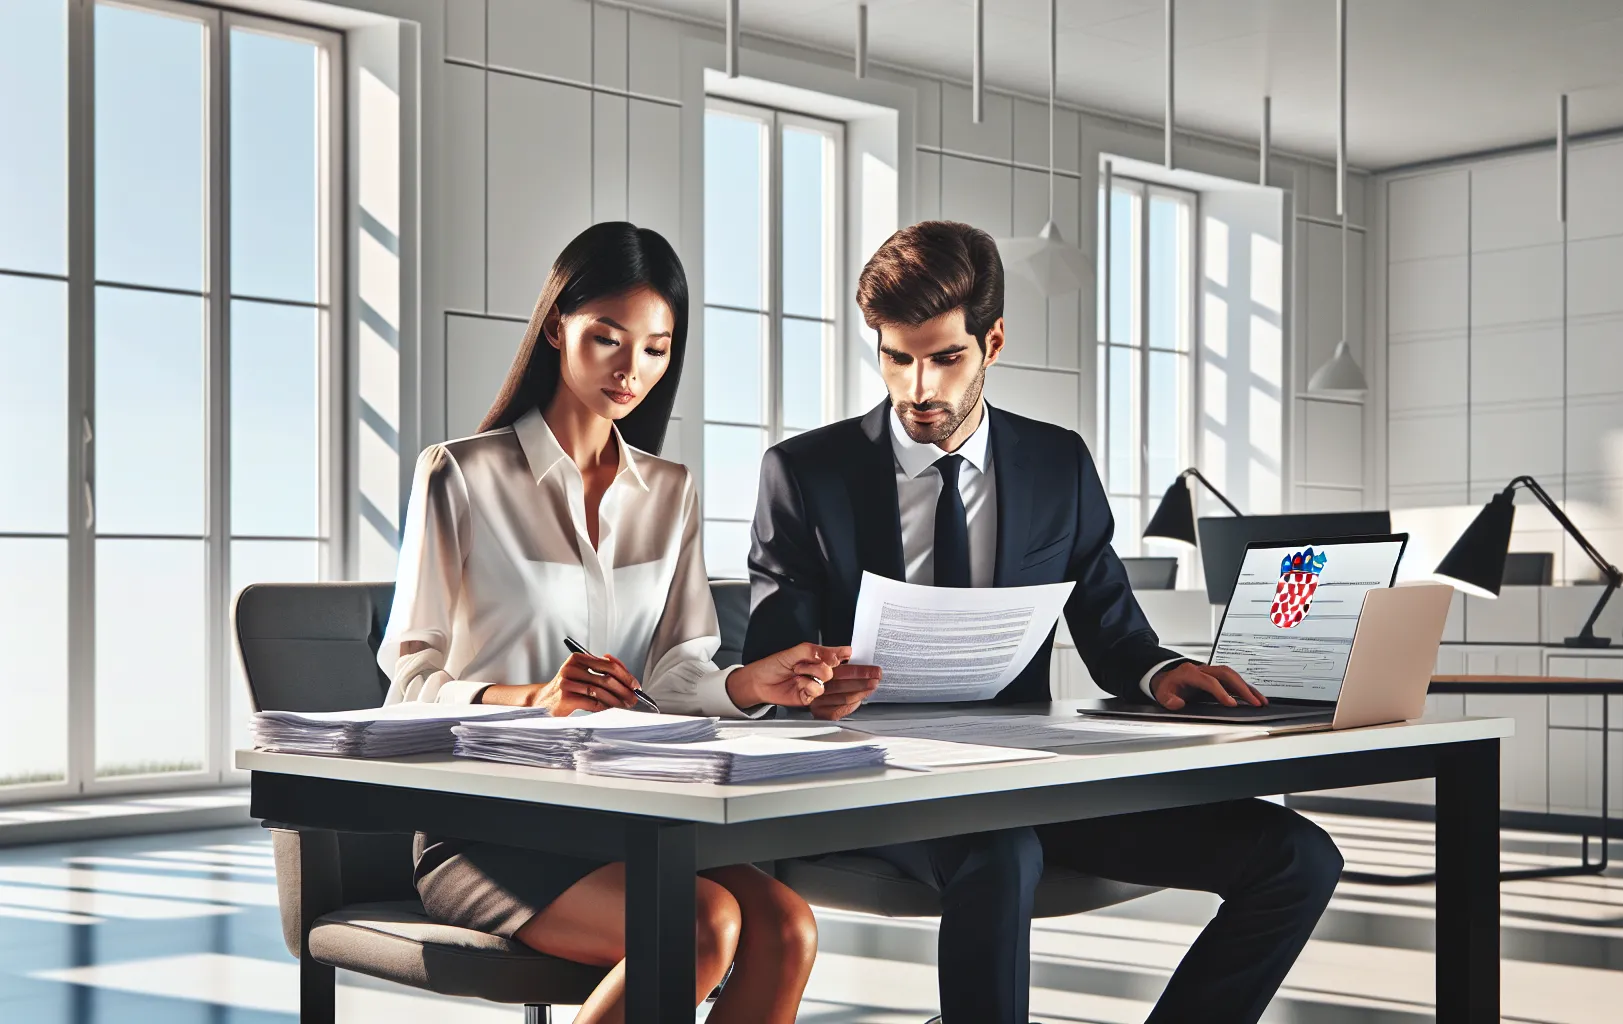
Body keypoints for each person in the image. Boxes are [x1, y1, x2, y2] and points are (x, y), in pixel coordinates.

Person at [743, 221, 1345, 1024]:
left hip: (1029, 782)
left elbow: (1111, 627)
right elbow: (769, 658)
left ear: (992, 341)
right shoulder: (806, 473)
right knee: (1000, 848)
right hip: (872, 790)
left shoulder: (1057, 463)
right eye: (896, 357)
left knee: (1297, 854)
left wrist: (1162, 671)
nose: (918, 387)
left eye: (945, 358)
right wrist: (808, 689)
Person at [378, 221, 844, 1024]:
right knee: (702, 926)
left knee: (790, 927)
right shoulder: (460, 473)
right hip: (488, 826)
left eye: (658, 347)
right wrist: (532, 698)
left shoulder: (672, 491)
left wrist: (745, 681)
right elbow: (410, 684)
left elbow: (673, 673)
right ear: (557, 326)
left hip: (630, 814)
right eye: (608, 338)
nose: (634, 369)